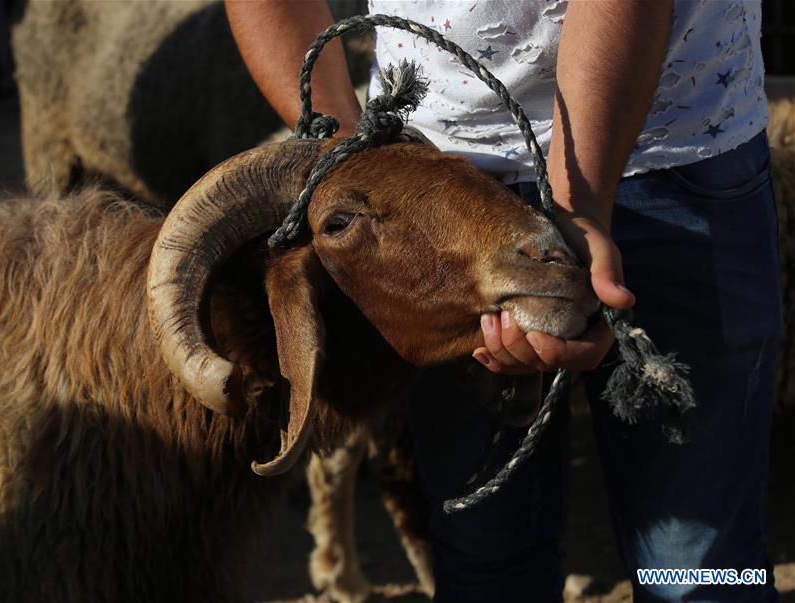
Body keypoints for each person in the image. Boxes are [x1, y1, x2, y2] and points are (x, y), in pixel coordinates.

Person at [226, 1, 781, 601]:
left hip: (667, 144)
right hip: (428, 180)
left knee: (700, 568)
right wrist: (352, 163)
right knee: (484, 564)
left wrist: (576, 209)